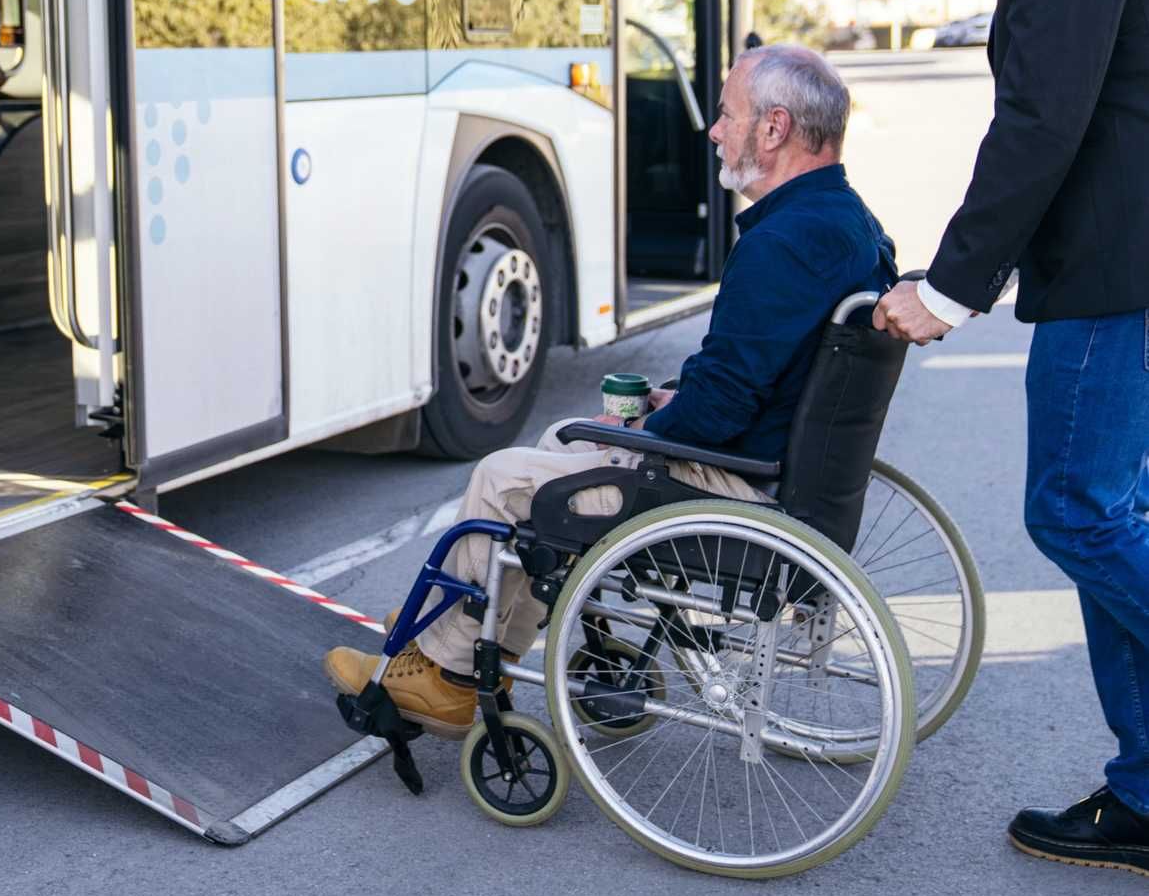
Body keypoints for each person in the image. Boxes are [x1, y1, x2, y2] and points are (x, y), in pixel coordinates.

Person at [325, 45, 900, 739]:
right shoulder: (855, 226)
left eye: (726, 114)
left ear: (773, 128)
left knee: (502, 476)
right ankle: (477, 630)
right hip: (786, 474)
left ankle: (446, 674)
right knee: (555, 445)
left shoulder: (778, 244)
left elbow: (721, 407)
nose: (714, 130)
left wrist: (638, 437)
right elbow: (762, 370)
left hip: (734, 488)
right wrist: (664, 401)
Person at [873, 0, 1149, 878]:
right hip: (1125, 262)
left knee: (1075, 510)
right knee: (1114, 512)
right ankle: (1147, 794)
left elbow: (1045, 110)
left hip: (1116, 264)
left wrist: (950, 283)